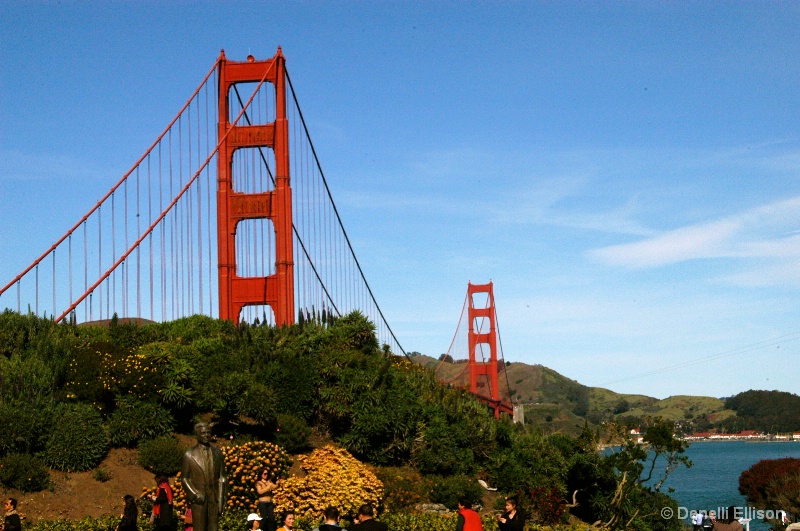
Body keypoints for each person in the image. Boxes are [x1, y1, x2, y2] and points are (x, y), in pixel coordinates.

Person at [181, 422, 228, 531]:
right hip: (199, 499)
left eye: (208, 432)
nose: (206, 435)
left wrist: (222, 499)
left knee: (213, 528)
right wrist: (194, 494)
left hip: (214, 498)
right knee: (200, 528)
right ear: (197, 435)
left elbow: (222, 477)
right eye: (203, 433)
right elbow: (184, 478)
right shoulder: (189, 454)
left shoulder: (217, 453)